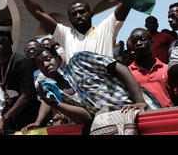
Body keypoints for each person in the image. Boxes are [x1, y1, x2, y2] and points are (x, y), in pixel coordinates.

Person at [21, 47, 161, 133]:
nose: (45, 65)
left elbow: (119, 67)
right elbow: (86, 118)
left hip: (143, 112)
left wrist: (139, 101)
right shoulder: (59, 94)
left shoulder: (79, 60)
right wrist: (55, 104)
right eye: (40, 64)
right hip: (120, 125)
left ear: (58, 58)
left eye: (48, 59)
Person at [9, 0, 131, 62]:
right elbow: (38, 12)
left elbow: (127, 0)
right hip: (80, 95)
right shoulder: (66, 36)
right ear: (70, 19)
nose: (78, 16)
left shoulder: (105, 29)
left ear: (91, 14)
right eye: (73, 14)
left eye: (82, 12)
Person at [0, 26, 40, 134]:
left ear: (11, 42)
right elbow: (7, 95)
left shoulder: (22, 62)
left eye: (3, 39)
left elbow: (26, 96)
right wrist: (1, 118)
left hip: (30, 119)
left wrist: (4, 118)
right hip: (13, 121)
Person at [127, 28, 173, 108]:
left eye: (142, 40)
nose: (138, 43)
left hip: (169, 117)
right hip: (144, 119)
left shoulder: (166, 69)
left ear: (152, 43)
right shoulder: (128, 73)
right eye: (134, 41)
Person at [167, 3, 178, 104]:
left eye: (172, 16)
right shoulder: (172, 46)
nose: (169, 20)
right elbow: (171, 70)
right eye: (168, 17)